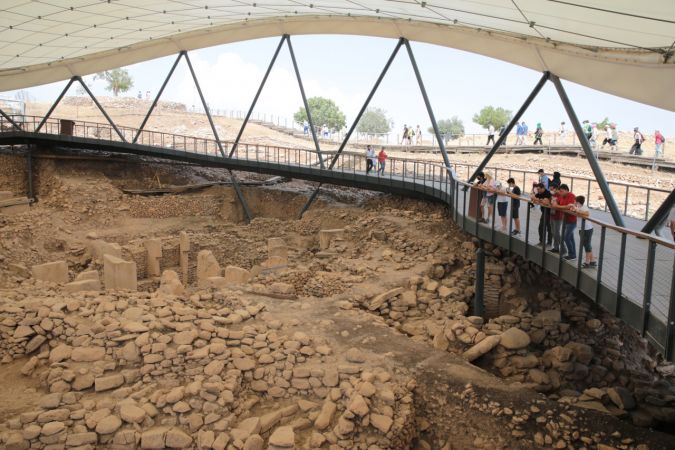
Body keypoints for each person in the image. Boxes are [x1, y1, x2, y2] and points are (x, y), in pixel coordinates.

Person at [554, 184, 578, 260]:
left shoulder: (571, 196)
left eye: (562, 191)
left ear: (567, 190)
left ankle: (571, 254)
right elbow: (554, 203)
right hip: (565, 219)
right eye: (560, 191)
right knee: (570, 237)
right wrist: (562, 207)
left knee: (566, 237)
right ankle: (573, 254)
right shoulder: (561, 196)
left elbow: (570, 207)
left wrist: (559, 207)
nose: (560, 193)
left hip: (572, 220)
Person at [572, 195, 596, 268]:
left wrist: (577, 210)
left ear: (578, 202)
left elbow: (587, 214)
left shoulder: (583, 207)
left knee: (587, 245)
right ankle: (592, 261)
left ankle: (587, 262)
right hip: (582, 229)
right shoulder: (579, 207)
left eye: (575, 201)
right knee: (586, 244)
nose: (574, 202)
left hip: (587, 229)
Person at [548, 185, 564, 254]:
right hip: (552, 215)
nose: (552, 191)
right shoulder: (553, 195)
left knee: (556, 233)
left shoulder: (560, 196)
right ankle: (556, 247)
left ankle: (563, 248)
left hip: (558, 216)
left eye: (553, 189)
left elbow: (559, 205)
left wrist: (555, 203)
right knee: (553, 232)